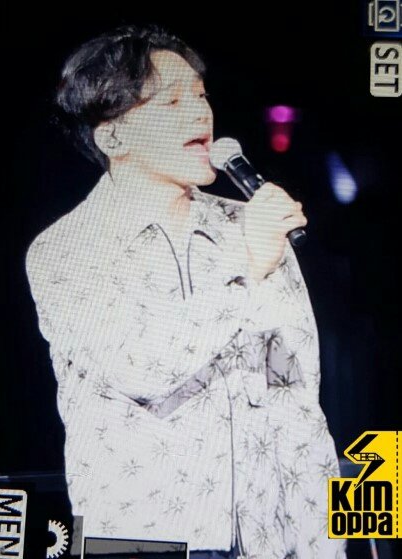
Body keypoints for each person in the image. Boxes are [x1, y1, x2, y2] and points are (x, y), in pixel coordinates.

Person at [25, 22, 347, 559]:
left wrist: (325, 546)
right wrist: (248, 263)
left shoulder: (247, 227)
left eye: (200, 96)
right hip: (140, 542)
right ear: (113, 137)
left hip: (267, 543)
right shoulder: (65, 248)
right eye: (172, 101)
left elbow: (298, 399)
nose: (200, 114)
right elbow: (144, 367)